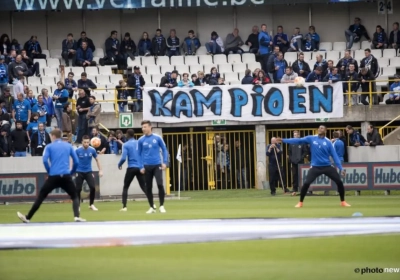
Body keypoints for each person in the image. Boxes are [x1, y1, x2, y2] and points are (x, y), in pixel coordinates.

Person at [17, 129, 86, 223]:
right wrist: (71, 172)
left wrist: (49, 171)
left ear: (53, 136)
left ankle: (28, 217)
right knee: (74, 196)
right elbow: (76, 161)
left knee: (41, 196)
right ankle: (77, 217)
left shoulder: (49, 147)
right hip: (66, 175)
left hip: (53, 175)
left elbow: (45, 160)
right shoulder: (68, 146)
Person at [277, 125, 351, 208]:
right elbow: (298, 140)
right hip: (315, 167)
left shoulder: (328, 142)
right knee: (306, 183)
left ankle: (343, 202)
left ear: (325, 131)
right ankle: (300, 202)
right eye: (319, 128)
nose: (320, 129)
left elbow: (335, 156)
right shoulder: (312, 138)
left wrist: (341, 168)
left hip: (327, 166)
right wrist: (284, 140)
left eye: (322, 128)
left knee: (339, 182)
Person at [137, 120, 169, 214]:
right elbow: (138, 154)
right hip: (146, 166)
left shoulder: (157, 138)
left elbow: (164, 149)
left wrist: (165, 162)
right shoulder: (141, 140)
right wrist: (140, 166)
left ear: (150, 127)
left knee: (160, 184)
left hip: (157, 164)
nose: (143, 129)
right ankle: (151, 207)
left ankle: (162, 206)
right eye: (142, 127)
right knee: (148, 187)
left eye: (145, 127)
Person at [118, 129, 149, 211]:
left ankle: (124, 207)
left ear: (127, 134)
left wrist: (119, 164)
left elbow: (124, 158)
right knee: (144, 187)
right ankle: (152, 204)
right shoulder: (139, 143)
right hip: (140, 168)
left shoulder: (126, 145)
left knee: (125, 187)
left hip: (131, 168)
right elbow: (144, 155)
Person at [75, 135, 103, 211]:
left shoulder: (92, 150)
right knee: (78, 189)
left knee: (93, 187)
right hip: (79, 171)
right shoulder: (77, 151)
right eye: (85, 142)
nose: (86, 144)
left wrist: (100, 170)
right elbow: (72, 160)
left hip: (88, 172)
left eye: (88, 142)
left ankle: (91, 204)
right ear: (82, 142)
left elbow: (97, 160)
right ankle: (77, 206)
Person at [288, 131, 308, 195]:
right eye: (294, 135)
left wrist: (301, 158)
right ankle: (294, 188)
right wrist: (291, 159)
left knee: (300, 175)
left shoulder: (302, 143)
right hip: (293, 162)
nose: (295, 136)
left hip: (300, 162)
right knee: (294, 175)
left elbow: (305, 152)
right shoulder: (291, 143)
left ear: (299, 135)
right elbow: (289, 152)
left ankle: (301, 187)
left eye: (296, 135)